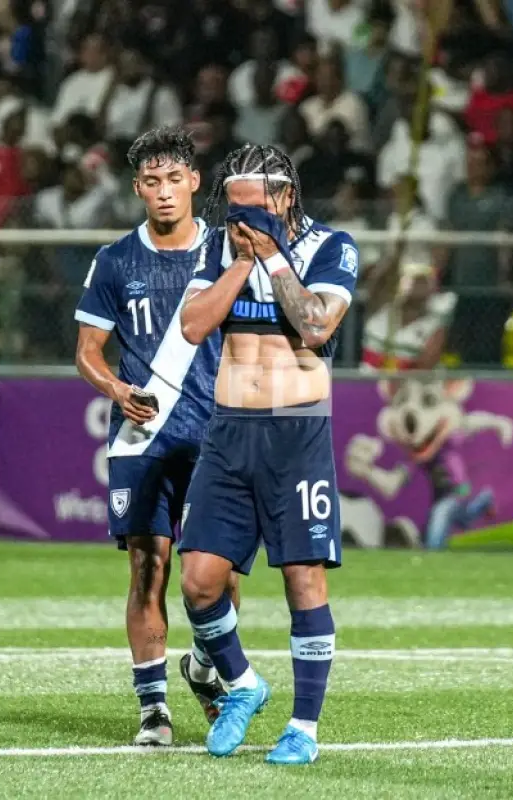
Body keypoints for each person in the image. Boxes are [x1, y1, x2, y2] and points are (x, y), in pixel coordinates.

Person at [178, 143, 359, 765]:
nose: (238, 216)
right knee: (200, 579)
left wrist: (273, 257)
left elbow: (315, 326)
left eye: (250, 205)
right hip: (228, 431)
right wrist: (238, 261)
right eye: (232, 204)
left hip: (296, 435)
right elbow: (194, 325)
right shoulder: (218, 246)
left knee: (302, 580)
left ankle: (303, 728)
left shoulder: (331, 247)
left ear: (282, 197)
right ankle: (245, 685)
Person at [73, 127, 236, 748]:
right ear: (137, 188)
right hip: (142, 437)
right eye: (151, 182)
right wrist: (116, 389)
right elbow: (87, 351)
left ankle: (202, 664)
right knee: (149, 566)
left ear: (195, 181)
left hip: (217, 436)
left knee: (217, 575)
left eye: (175, 179)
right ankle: (153, 710)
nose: (164, 193)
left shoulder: (226, 253)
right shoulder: (115, 261)